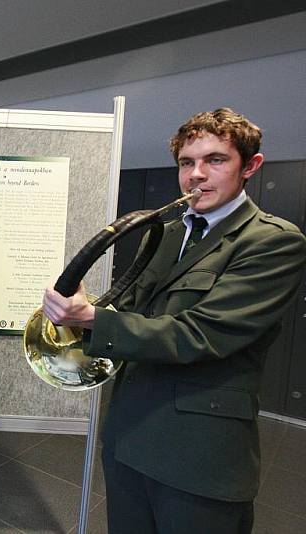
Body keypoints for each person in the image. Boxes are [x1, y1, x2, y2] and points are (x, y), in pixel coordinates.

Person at [43, 108, 306, 534]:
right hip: (130, 440)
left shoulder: (273, 241)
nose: (196, 175)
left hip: (198, 456)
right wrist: (87, 310)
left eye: (215, 160)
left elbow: (201, 334)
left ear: (250, 167)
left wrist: (94, 320)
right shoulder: (166, 234)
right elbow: (130, 311)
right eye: (187, 162)